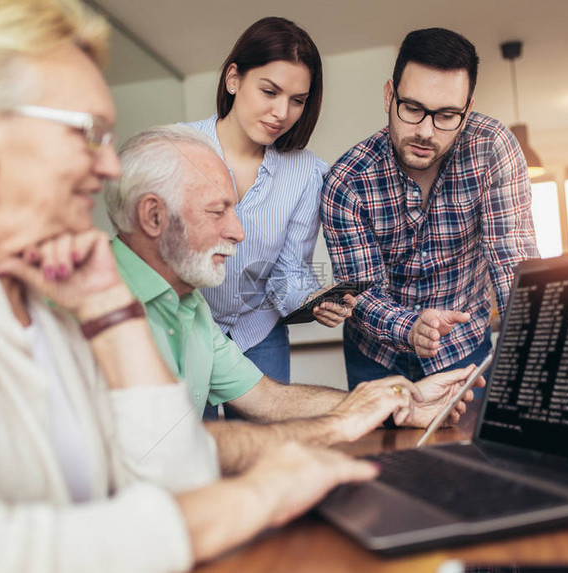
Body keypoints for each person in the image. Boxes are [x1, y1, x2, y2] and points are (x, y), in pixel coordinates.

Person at [0, 1, 378, 570]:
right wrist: (255, 496)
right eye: (86, 133)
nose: (111, 167)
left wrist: (112, 314)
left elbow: (173, 470)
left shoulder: (50, 303)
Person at [103, 123, 485, 443]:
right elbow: (161, 452)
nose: (238, 232)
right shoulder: (84, 310)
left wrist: (406, 400)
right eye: (217, 211)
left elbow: (269, 399)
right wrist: (340, 423)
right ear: (153, 216)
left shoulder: (192, 306)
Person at [321, 28, 539, 391]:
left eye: (447, 115)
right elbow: (361, 291)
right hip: (376, 358)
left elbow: (511, 258)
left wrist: (534, 343)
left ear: (467, 111)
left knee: (470, 449)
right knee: (385, 450)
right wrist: (412, 327)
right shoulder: (346, 182)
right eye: (413, 108)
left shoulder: (492, 148)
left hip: (465, 347)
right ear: (390, 95)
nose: (426, 132)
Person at [185, 17, 350, 396]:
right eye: (269, 91)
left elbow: (288, 270)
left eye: (297, 100)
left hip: (258, 333)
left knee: (271, 447)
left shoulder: (308, 173)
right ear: (233, 79)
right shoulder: (179, 147)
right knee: (196, 447)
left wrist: (310, 300)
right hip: (186, 327)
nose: (282, 113)